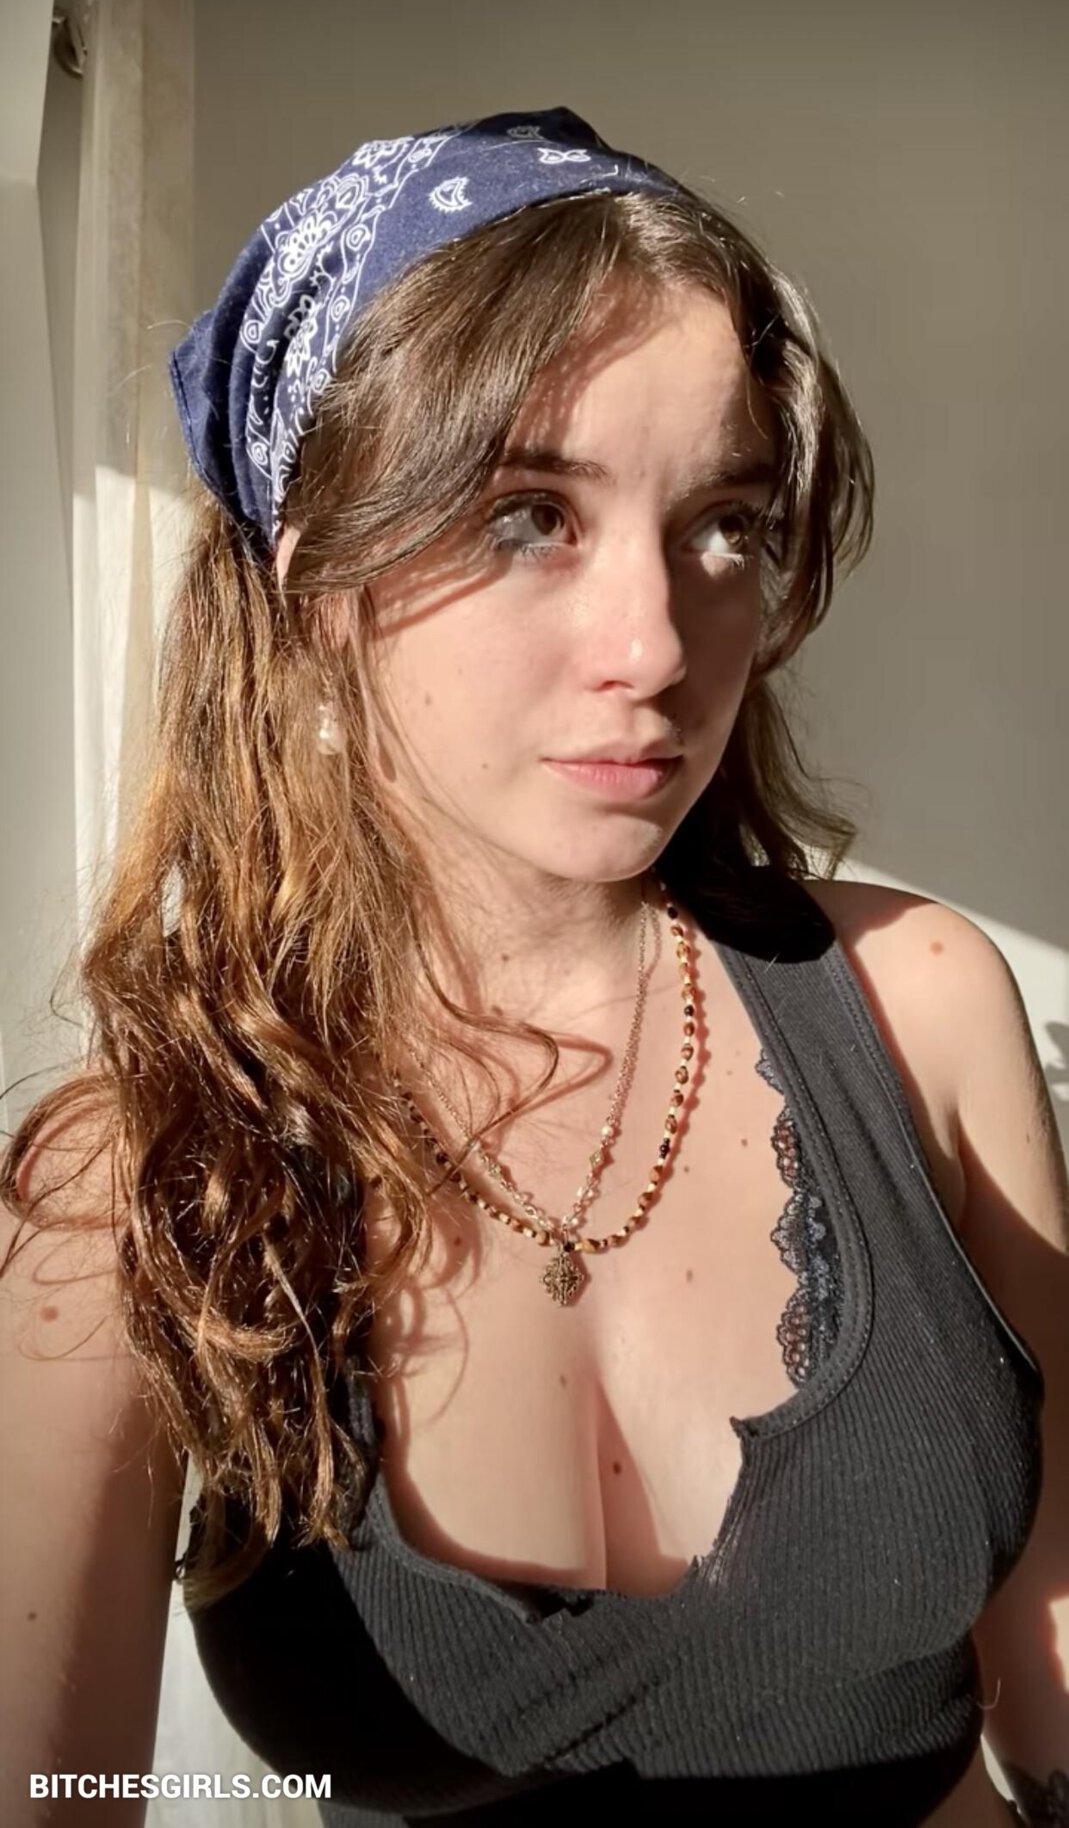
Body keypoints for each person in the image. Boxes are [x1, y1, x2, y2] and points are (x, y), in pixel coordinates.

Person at [1, 107, 1065, 1828]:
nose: (656, 645)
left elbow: (1051, 1651)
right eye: (523, 516)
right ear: (314, 587)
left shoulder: (918, 1005)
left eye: (723, 522)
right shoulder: (138, 1184)